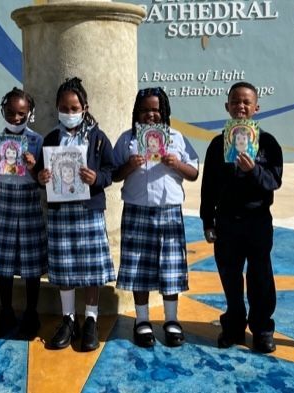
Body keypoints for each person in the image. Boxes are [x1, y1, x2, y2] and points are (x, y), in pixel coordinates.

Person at [200, 81, 283, 353]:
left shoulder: (267, 144)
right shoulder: (216, 145)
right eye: (236, 102)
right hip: (226, 223)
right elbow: (208, 186)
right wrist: (207, 221)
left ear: (256, 108)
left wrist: (253, 171)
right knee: (230, 277)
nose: (241, 107)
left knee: (260, 276)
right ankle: (234, 325)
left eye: (247, 102)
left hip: (257, 221)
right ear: (227, 107)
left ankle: (261, 329)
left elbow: (274, 181)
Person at [113, 87, 199, 347]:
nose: (151, 114)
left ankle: (171, 320)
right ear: (137, 112)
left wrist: (177, 164)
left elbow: (193, 172)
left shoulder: (177, 138)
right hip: (137, 208)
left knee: (170, 266)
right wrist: (131, 165)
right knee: (139, 266)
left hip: (169, 209)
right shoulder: (127, 139)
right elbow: (115, 173)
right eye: (145, 110)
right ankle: (142, 320)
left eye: (156, 109)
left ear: (164, 112)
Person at [36, 77, 115, 352]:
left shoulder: (97, 138)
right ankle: (69, 319)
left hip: (88, 210)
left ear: (84, 107)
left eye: (74, 108)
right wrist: (42, 176)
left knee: (91, 268)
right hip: (60, 213)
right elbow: (39, 173)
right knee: (65, 267)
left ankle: (91, 319)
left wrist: (97, 178)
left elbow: (111, 170)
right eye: (64, 108)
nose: (69, 113)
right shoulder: (51, 138)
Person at [0, 87, 47, 340]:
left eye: (21, 113)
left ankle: (31, 313)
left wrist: (32, 166)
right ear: (3, 111)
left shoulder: (37, 141)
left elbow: (42, 181)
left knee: (30, 265)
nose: (16, 118)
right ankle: (5, 312)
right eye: (10, 113)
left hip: (29, 204)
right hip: (5, 204)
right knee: (4, 264)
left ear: (29, 113)